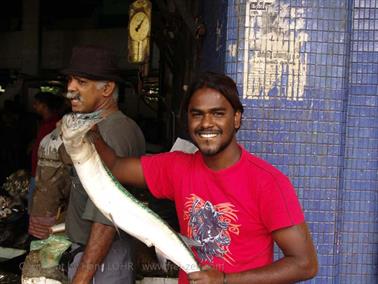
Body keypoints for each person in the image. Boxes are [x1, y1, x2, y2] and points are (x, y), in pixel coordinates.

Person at [87, 72, 318, 284]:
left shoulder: (268, 183)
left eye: (218, 113)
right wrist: (88, 130)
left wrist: (225, 280)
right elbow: (116, 166)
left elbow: (304, 264)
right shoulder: (177, 167)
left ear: (236, 119)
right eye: (197, 114)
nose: (206, 123)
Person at [61, 45, 146, 284]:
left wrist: (82, 277)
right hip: (91, 255)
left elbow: (106, 218)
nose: (71, 88)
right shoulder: (96, 128)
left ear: (107, 88)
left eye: (82, 82)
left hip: (102, 261)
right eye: (70, 80)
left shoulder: (116, 132)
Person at [28, 92, 65, 209]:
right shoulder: (46, 123)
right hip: (39, 173)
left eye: (36, 104)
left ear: (44, 105)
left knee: (40, 209)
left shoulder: (55, 124)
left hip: (45, 176)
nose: (34, 106)